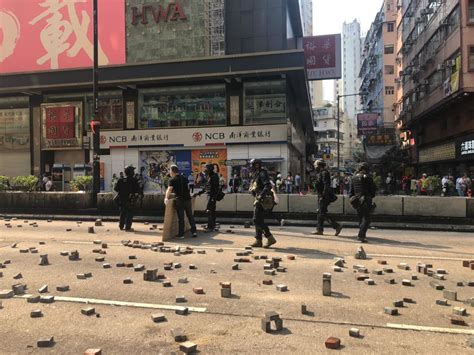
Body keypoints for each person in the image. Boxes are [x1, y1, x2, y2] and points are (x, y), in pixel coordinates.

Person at [248, 159, 277, 248]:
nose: (251, 167)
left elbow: (267, 185)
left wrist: (261, 195)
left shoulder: (262, 173)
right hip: (258, 198)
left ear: (257, 165)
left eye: (252, 165)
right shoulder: (257, 173)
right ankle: (258, 240)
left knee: (256, 220)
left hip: (262, 200)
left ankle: (269, 237)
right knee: (259, 220)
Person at [165, 165, 197, 239]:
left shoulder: (172, 180)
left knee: (181, 217)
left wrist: (166, 198)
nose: (169, 172)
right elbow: (188, 188)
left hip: (179, 200)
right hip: (188, 199)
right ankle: (194, 232)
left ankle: (181, 234)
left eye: (170, 170)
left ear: (172, 171)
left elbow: (169, 190)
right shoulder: (184, 178)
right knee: (190, 216)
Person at [313, 160, 342, 236]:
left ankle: (336, 226)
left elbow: (326, 185)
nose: (315, 167)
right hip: (321, 196)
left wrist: (323, 196)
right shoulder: (320, 173)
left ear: (319, 165)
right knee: (320, 212)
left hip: (324, 196)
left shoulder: (324, 173)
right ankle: (319, 230)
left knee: (321, 213)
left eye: (316, 165)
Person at [349, 163, 377, 243]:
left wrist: (352, 199)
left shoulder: (353, 178)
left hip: (356, 200)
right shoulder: (368, 178)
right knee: (367, 219)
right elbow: (373, 189)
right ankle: (361, 235)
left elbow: (351, 192)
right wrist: (370, 196)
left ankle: (362, 234)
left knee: (361, 217)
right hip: (366, 199)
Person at [194, 163, 220, 232]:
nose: (205, 170)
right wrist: (199, 193)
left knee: (208, 210)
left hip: (212, 196)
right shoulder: (209, 176)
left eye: (206, 168)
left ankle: (210, 226)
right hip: (210, 195)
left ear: (210, 169)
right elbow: (206, 187)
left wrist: (213, 198)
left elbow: (216, 188)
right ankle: (212, 225)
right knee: (212, 211)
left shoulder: (214, 176)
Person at [114, 165, 141, 231]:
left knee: (122, 212)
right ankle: (127, 227)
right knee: (130, 213)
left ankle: (121, 226)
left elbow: (116, 189)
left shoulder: (121, 179)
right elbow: (138, 190)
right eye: (133, 171)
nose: (134, 172)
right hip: (130, 199)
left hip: (121, 199)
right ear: (131, 172)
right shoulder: (134, 180)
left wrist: (123, 192)